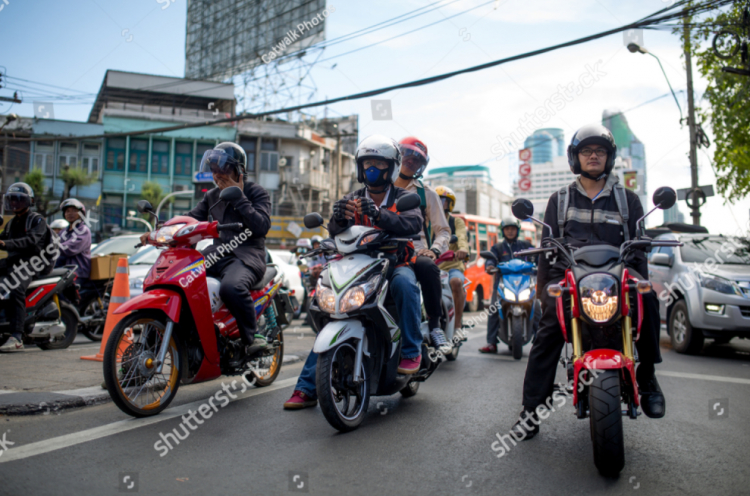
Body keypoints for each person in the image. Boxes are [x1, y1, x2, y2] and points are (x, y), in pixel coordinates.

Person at [510, 124, 666, 440]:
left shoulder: (628, 200)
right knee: (548, 330)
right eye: (586, 151)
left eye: (600, 151)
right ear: (575, 157)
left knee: (648, 298)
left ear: (609, 158)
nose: (593, 156)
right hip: (571, 278)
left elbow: (638, 252)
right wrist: (545, 292)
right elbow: (547, 251)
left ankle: (647, 375)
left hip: (618, 275)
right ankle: (530, 412)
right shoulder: (560, 199)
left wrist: (640, 282)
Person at [284, 135, 425, 409]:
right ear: (360, 168)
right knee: (329, 309)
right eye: (367, 163)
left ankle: (411, 350)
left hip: (394, 264)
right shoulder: (352, 198)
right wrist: (337, 217)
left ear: (392, 168)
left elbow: (412, 224)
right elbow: (337, 231)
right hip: (356, 266)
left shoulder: (404, 197)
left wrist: (378, 215)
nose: (372, 169)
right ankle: (306, 387)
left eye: (379, 163)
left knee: (406, 285)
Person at [142, 142, 272, 351]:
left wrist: (239, 197)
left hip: (248, 256)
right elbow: (190, 219)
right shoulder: (212, 196)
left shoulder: (256, 192)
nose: (217, 175)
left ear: (239, 171)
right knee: (179, 279)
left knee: (232, 287)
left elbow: (262, 226)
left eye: (223, 170)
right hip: (218, 254)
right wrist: (159, 231)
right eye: (214, 170)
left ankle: (251, 337)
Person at [393, 136, 452, 354]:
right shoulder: (379, 187)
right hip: (379, 251)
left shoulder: (426, 193)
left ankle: (435, 325)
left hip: (414, 252)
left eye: (418, 158)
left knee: (428, 267)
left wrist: (434, 249)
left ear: (422, 165)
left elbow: (443, 230)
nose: (411, 160)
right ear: (398, 155)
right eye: (408, 154)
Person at [0, 183, 55, 352]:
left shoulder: (37, 220)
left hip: (33, 262)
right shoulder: (11, 223)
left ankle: (17, 337)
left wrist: (5, 243)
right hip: (15, 261)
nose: (15, 203)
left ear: (29, 201)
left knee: (16, 288)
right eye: (12, 200)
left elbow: (30, 241)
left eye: (19, 200)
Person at [479, 217, 535, 354]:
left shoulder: (525, 245)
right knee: (493, 309)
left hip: (524, 284)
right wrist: (490, 265)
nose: (510, 231)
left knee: (537, 307)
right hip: (503, 285)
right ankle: (491, 343)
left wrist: (540, 263)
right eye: (507, 229)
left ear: (518, 230)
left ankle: (539, 342)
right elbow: (491, 258)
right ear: (503, 231)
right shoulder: (497, 247)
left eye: (513, 229)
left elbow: (536, 256)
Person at [435, 186, 470, 336]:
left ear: (450, 204)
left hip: (452, 266)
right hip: (432, 265)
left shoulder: (456, 222)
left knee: (456, 282)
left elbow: (462, 238)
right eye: (437, 200)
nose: (441, 204)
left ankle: (457, 326)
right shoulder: (427, 220)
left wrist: (462, 250)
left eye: (444, 201)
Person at [55, 199, 92, 281]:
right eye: (67, 211)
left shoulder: (83, 230)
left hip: (78, 273)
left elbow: (68, 248)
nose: (70, 213)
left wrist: (51, 248)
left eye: (74, 210)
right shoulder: (63, 232)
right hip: (63, 271)